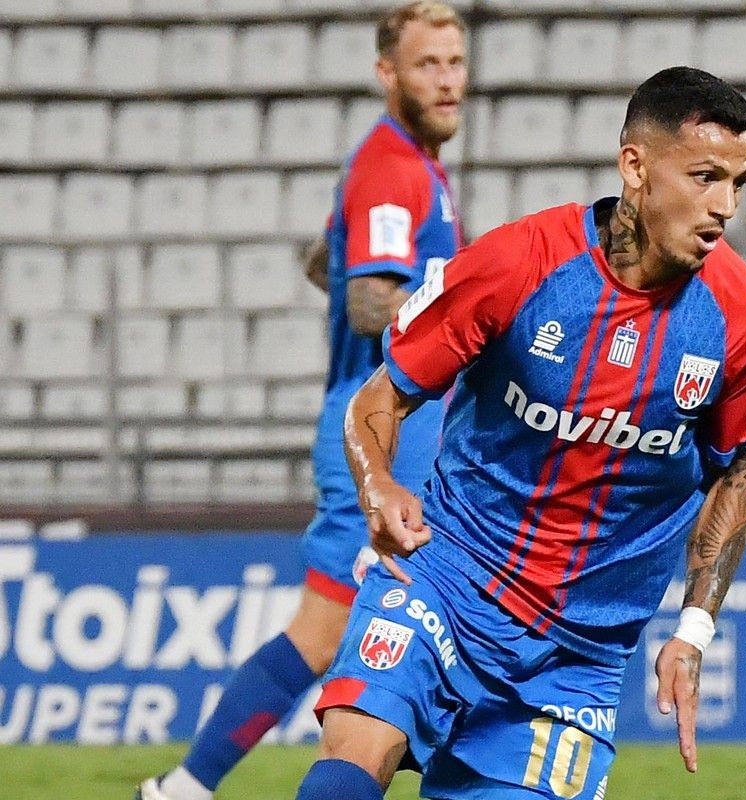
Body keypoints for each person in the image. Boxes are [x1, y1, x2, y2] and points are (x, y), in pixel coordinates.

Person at [293, 66, 746, 800]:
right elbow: (380, 397)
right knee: (350, 761)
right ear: (635, 167)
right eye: (705, 177)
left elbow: (736, 474)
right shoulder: (519, 262)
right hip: (447, 579)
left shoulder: (744, 318)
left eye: (739, 183)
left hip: (576, 656)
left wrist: (694, 630)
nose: (725, 206)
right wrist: (378, 484)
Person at [136, 4, 467, 799]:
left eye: (456, 63)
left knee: (383, 625)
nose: (448, 81)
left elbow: (326, 260)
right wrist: (470, 321)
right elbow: (367, 300)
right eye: (428, 64)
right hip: (379, 437)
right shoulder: (392, 165)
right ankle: (184, 788)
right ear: (387, 73)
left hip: (402, 435)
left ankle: (186, 788)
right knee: (326, 630)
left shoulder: (409, 166)